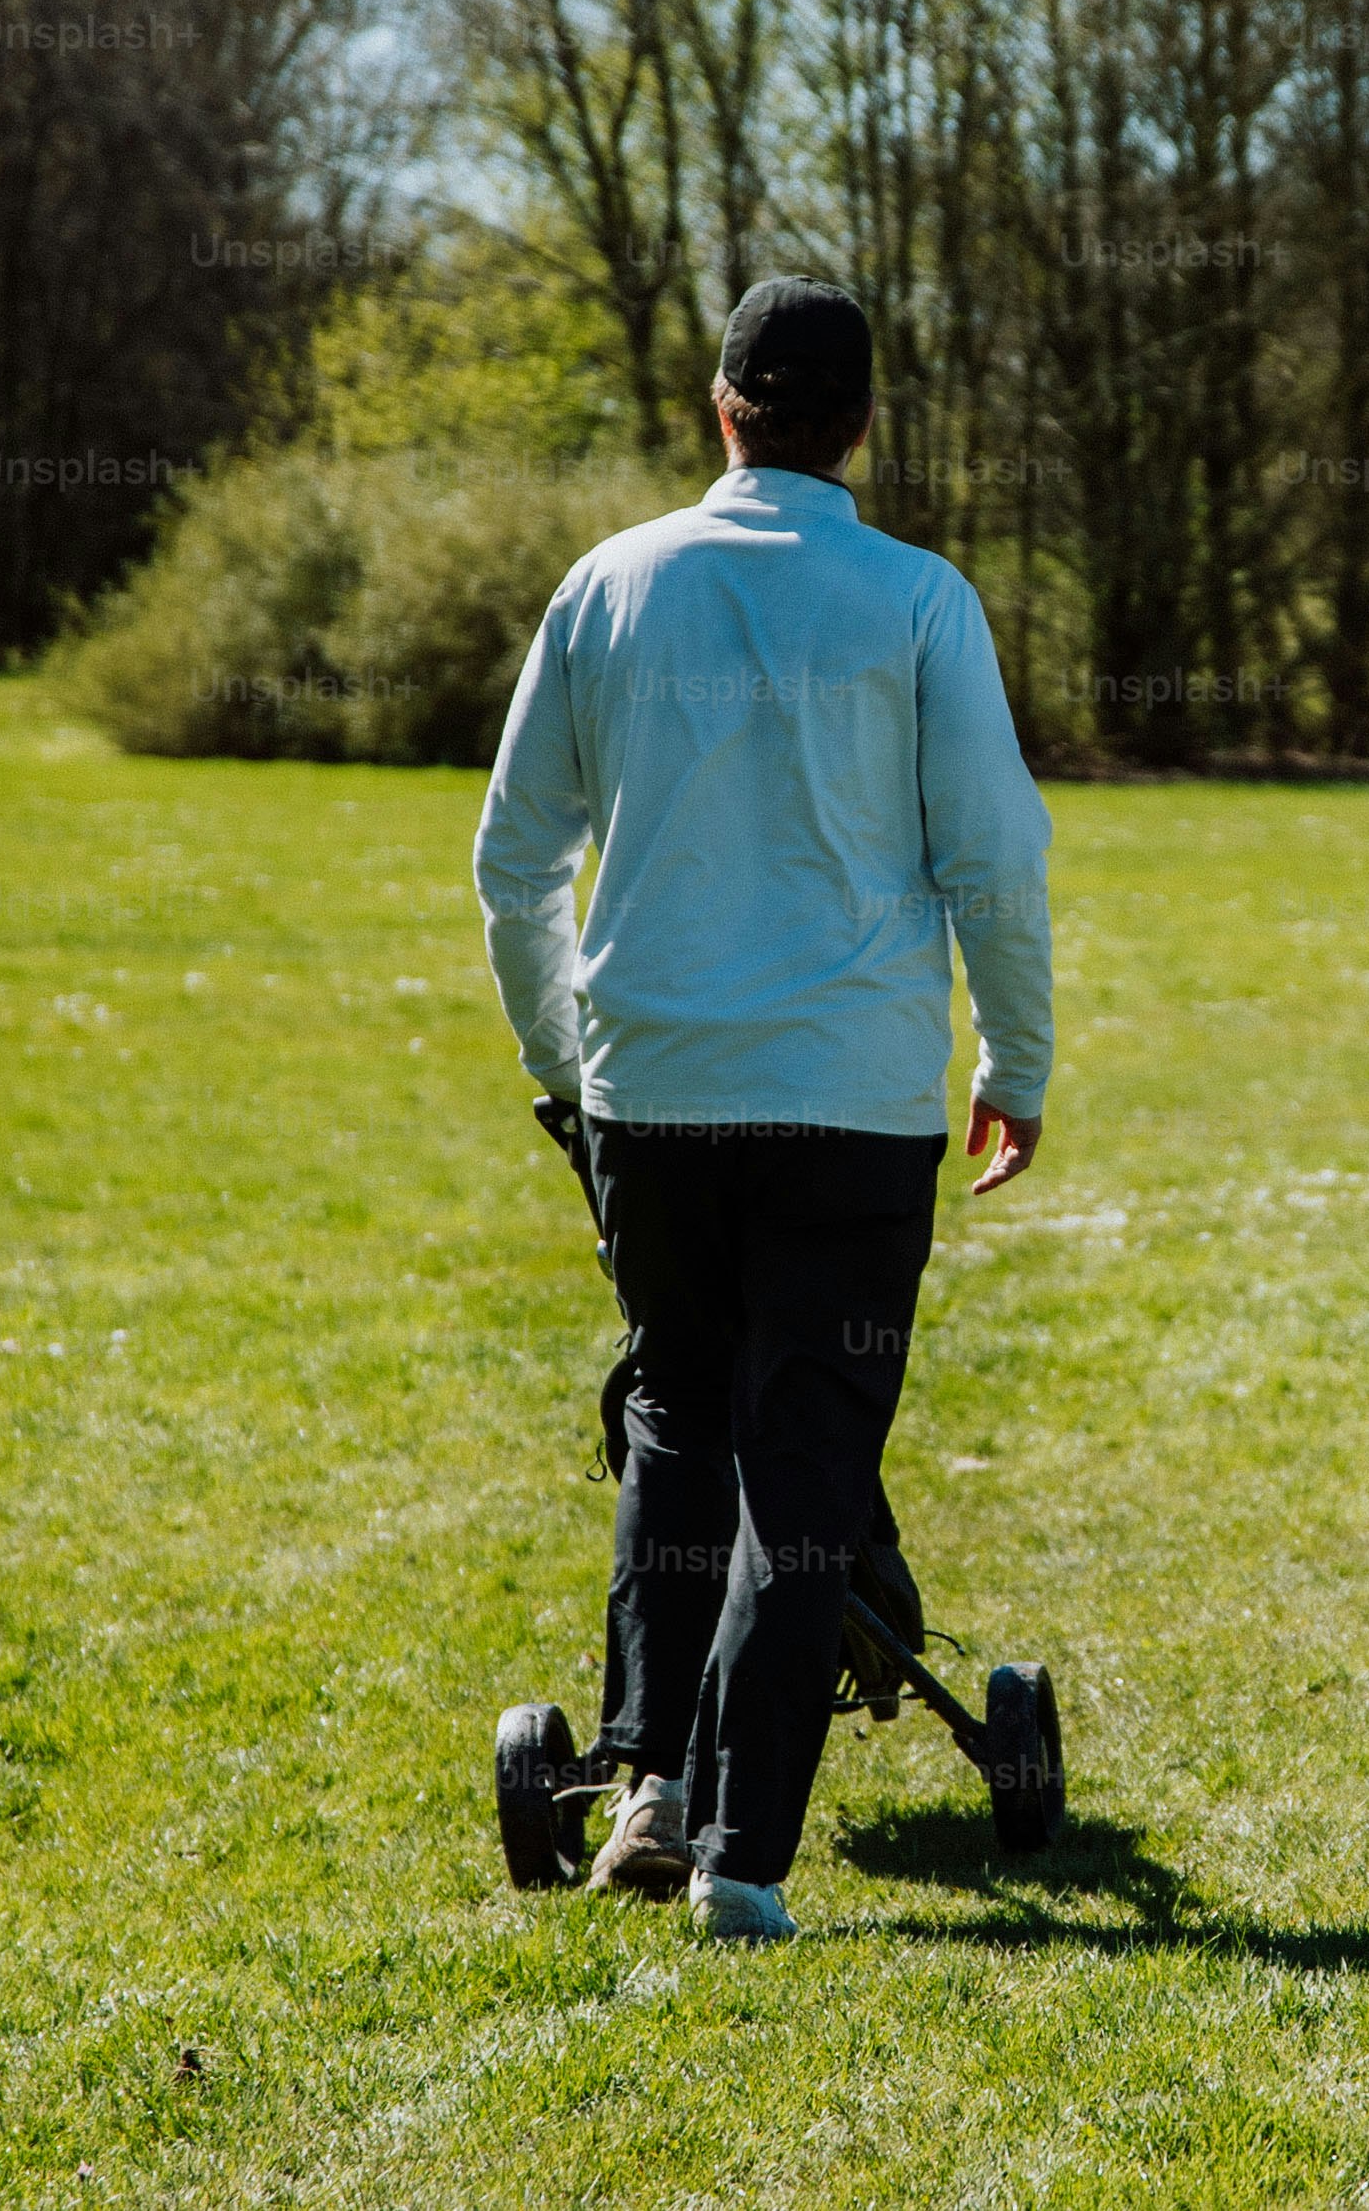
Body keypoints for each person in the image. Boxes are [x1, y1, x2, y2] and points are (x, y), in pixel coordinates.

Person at [473, 277, 1055, 1944]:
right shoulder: (919, 601)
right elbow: (994, 857)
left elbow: (515, 865)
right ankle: (742, 1856)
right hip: (854, 1105)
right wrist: (1012, 1062)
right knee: (804, 1454)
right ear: (861, 426)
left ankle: (644, 1772)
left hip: (653, 1095)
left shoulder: (609, 584)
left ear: (718, 405)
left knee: (674, 1406)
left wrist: (563, 1070)